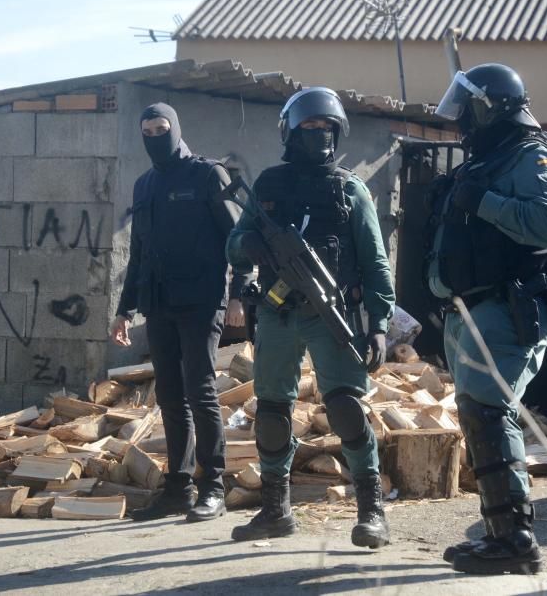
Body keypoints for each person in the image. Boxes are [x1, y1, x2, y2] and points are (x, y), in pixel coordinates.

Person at [226, 87, 396, 548]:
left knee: (345, 408)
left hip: (332, 313)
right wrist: (249, 247)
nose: (318, 135)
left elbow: (376, 262)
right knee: (273, 413)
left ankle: (371, 512)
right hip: (278, 314)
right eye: (309, 128)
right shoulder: (268, 186)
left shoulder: (349, 189)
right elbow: (235, 241)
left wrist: (379, 325)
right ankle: (275, 511)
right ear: (290, 133)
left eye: (326, 128)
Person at [426, 64, 547, 574]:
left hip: (508, 305)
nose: (462, 119)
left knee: (490, 412)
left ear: (491, 106)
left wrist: (483, 201)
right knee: (478, 413)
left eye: (468, 108)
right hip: (472, 308)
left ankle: (515, 541)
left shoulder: (534, 154)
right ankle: (500, 535)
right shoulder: (485, 158)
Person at [111, 102, 252, 523]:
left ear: (176, 127)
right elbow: (137, 253)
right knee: (170, 397)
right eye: (148, 130)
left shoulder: (208, 175)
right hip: (158, 306)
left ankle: (213, 487)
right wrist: (124, 310)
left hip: (201, 302)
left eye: (162, 127)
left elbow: (240, 239)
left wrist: (240, 295)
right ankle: (179, 488)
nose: (156, 136)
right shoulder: (144, 185)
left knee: (201, 392)